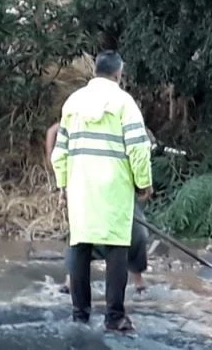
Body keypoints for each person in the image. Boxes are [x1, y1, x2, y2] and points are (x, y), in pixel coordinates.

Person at [50, 50, 153, 332]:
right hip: (114, 190)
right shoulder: (124, 102)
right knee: (116, 251)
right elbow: (138, 149)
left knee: (80, 247)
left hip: (81, 190)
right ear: (119, 73)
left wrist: (63, 185)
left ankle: (80, 316)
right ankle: (114, 316)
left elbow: (60, 152)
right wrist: (143, 182)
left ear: (95, 71)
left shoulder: (73, 102)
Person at [45, 122, 150, 296]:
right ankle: (70, 281)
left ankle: (138, 280)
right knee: (82, 233)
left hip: (119, 180)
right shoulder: (81, 111)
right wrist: (56, 171)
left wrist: (143, 182)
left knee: (137, 233)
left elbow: (139, 151)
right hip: (86, 183)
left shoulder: (122, 113)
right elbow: (54, 130)